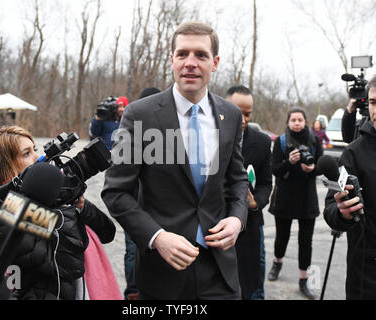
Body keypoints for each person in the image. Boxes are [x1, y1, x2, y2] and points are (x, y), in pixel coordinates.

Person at [102, 21, 248, 300]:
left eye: (201, 55)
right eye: (182, 54)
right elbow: (116, 192)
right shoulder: (138, 115)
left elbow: (237, 179)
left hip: (221, 273)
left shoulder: (230, 115)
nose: (190, 63)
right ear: (172, 60)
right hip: (161, 273)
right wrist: (157, 237)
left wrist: (237, 220)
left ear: (215, 62)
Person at [0, 126, 118, 300]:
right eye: (26, 153)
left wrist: (80, 204)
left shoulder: (50, 193)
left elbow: (107, 232)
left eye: (35, 150)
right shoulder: (11, 211)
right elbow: (70, 264)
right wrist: (61, 205)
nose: (39, 157)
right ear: (6, 167)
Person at [323, 75, 376, 299]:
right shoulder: (353, 152)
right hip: (365, 269)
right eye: (373, 102)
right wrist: (342, 213)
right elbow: (330, 210)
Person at [267, 107, 323, 299]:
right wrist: (289, 162)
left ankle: (303, 279)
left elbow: (323, 168)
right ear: (288, 123)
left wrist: (312, 168)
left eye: (300, 119)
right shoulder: (281, 142)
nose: (297, 123)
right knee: (281, 237)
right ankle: (277, 262)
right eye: (293, 120)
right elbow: (275, 170)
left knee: (305, 242)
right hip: (285, 198)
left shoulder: (315, 141)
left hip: (307, 200)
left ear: (305, 122)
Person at [226, 85, 272, 300]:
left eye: (247, 114)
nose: (243, 119)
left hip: (251, 223)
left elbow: (265, 183)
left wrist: (255, 203)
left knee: (251, 277)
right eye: (238, 112)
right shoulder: (211, 138)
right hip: (217, 221)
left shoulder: (262, 142)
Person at [123, 86, 161, 300]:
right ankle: (133, 293)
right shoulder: (131, 133)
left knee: (135, 252)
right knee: (133, 251)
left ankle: (134, 292)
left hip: (152, 209)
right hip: (136, 208)